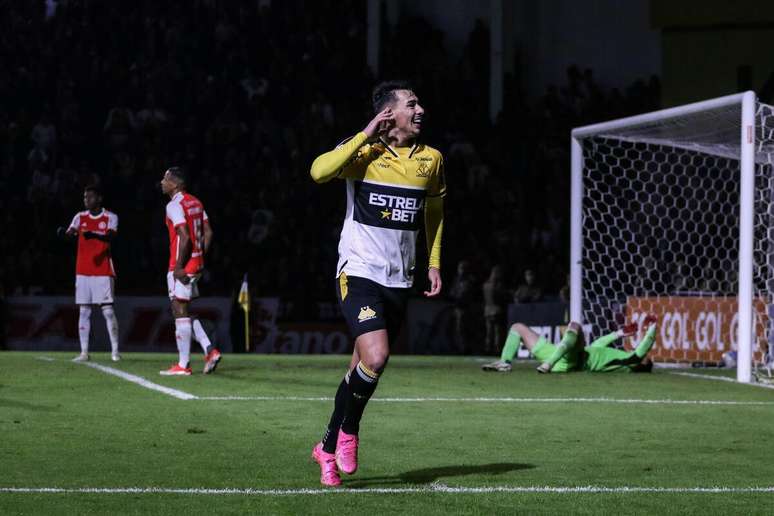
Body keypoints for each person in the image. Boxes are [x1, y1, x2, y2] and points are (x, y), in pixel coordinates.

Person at [308, 81, 445, 486]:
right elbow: (318, 172)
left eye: (419, 102)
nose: (420, 109)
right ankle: (349, 431)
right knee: (378, 355)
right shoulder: (364, 152)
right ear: (389, 114)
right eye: (411, 104)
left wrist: (433, 263)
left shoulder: (432, 159)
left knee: (362, 368)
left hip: (400, 280)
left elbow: (435, 213)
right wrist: (365, 133)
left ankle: (327, 447)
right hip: (360, 271)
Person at [158, 167, 221, 376]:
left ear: (175, 184)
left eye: (165, 179)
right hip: (196, 264)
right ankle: (209, 351)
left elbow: (184, 236)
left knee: (179, 311)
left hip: (182, 266)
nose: (162, 182)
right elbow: (209, 232)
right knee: (182, 311)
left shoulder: (174, 206)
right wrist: (200, 258)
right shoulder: (196, 201)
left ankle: (183, 365)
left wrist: (178, 266)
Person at [58, 185, 121, 362]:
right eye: (85, 197)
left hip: (103, 270)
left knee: (107, 311)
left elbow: (110, 237)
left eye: (90, 197)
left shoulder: (110, 217)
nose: (86, 200)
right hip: (83, 270)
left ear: (99, 198)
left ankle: (115, 351)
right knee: (84, 311)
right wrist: (64, 234)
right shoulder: (80, 217)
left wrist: (93, 235)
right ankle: (84, 352)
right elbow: (71, 234)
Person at [482, 314, 658, 373]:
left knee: (574, 325)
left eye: (647, 359)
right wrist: (618, 333)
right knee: (517, 327)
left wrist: (653, 327)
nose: (646, 357)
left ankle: (548, 363)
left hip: (574, 360)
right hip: (560, 355)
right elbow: (598, 345)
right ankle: (505, 363)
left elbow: (642, 350)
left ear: (642, 364)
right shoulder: (619, 358)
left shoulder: (630, 362)